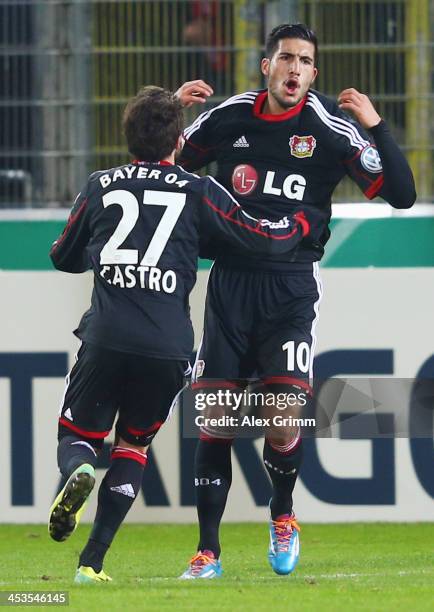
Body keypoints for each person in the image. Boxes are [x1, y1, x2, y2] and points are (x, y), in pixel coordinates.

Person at [47, 85, 325, 584]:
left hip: (107, 335)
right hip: (168, 346)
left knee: (78, 437)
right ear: (178, 141)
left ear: (127, 136)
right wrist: (301, 225)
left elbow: (62, 256)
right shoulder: (198, 192)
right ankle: (90, 562)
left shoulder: (101, 185)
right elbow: (258, 238)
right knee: (134, 446)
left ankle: (78, 472)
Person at [175, 23, 416, 579]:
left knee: (283, 420)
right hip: (230, 281)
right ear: (267, 66)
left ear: (313, 73)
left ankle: (281, 513)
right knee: (216, 419)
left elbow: (401, 195)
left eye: (305, 62)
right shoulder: (230, 115)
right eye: (286, 58)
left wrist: (375, 125)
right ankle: (207, 552)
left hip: (290, 284)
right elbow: (164, 164)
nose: (294, 70)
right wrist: (170, 111)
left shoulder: (331, 126)